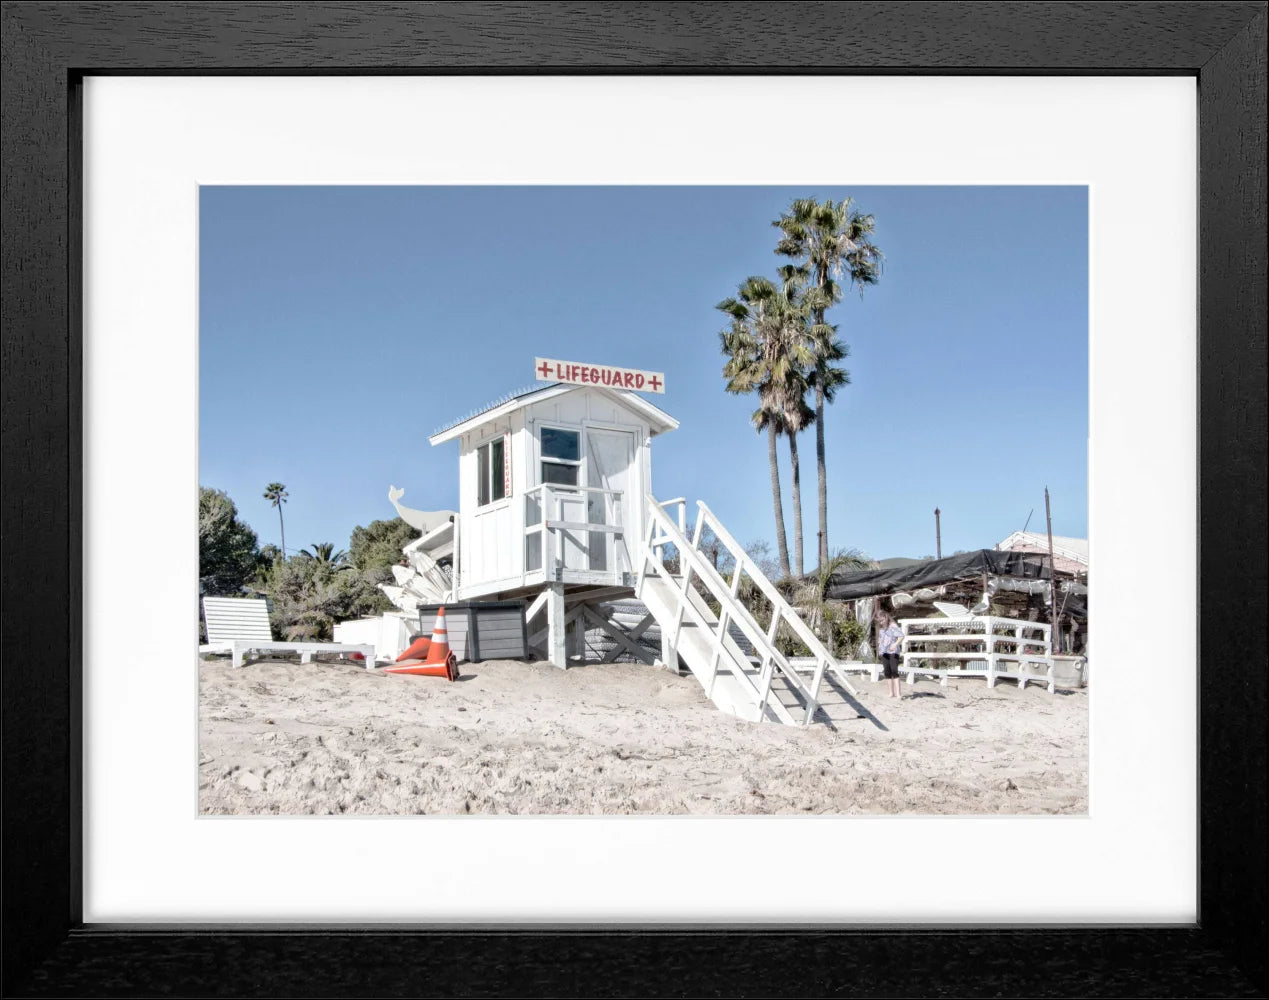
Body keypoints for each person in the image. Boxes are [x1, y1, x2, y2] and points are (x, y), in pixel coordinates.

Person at [877, 612, 904, 698]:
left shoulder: (893, 626)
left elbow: (901, 636)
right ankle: (891, 693)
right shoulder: (881, 629)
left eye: (882, 620)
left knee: (894, 671)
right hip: (884, 652)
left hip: (893, 652)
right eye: (880, 621)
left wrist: (895, 644)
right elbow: (881, 639)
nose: (881, 622)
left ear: (886, 617)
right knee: (887, 672)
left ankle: (898, 694)